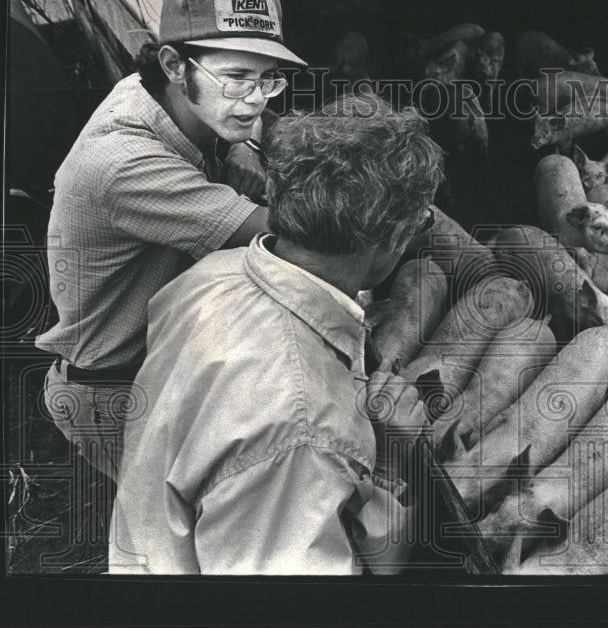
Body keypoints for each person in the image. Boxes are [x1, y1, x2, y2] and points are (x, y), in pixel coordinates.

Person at [108, 95, 444, 574]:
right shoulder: (301, 428)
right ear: (390, 236)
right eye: (420, 224)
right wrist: (385, 466)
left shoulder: (212, 275)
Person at [36, 0, 306, 480]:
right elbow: (287, 239)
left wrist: (242, 143)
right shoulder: (123, 161)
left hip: (163, 362)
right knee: (183, 544)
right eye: (237, 78)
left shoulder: (155, 92)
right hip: (116, 393)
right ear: (174, 64)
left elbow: (255, 122)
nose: (254, 100)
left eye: (268, 78)